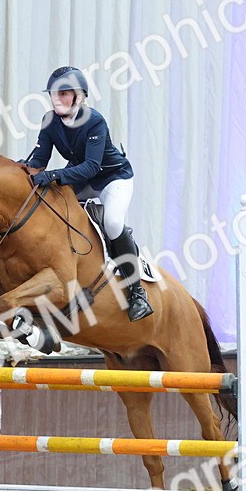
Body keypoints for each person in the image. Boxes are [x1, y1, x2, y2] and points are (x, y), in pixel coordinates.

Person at [23, 66, 153, 322]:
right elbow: (39, 159)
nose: (58, 99)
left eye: (65, 93)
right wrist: (20, 171)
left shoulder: (94, 120)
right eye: (54, 94)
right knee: (52, 210)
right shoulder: (49, 121)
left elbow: (92, 166)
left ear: (79, 96)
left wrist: (53, 176)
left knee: (113, 223)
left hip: (111, 179)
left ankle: (137, 292)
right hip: (80, 178)